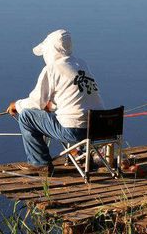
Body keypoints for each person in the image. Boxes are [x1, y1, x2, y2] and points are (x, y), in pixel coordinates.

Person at [6, 29, 104, 174]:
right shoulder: (81, 64)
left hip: (75, 131)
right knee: (67, 115)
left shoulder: (52, 69)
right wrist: (51, 105)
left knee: (26, 115)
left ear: (51, 50)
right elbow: (74, 97)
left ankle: (40, 162)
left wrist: (17, 105)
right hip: (99, 128)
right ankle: (82, 153)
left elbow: (36, 102)